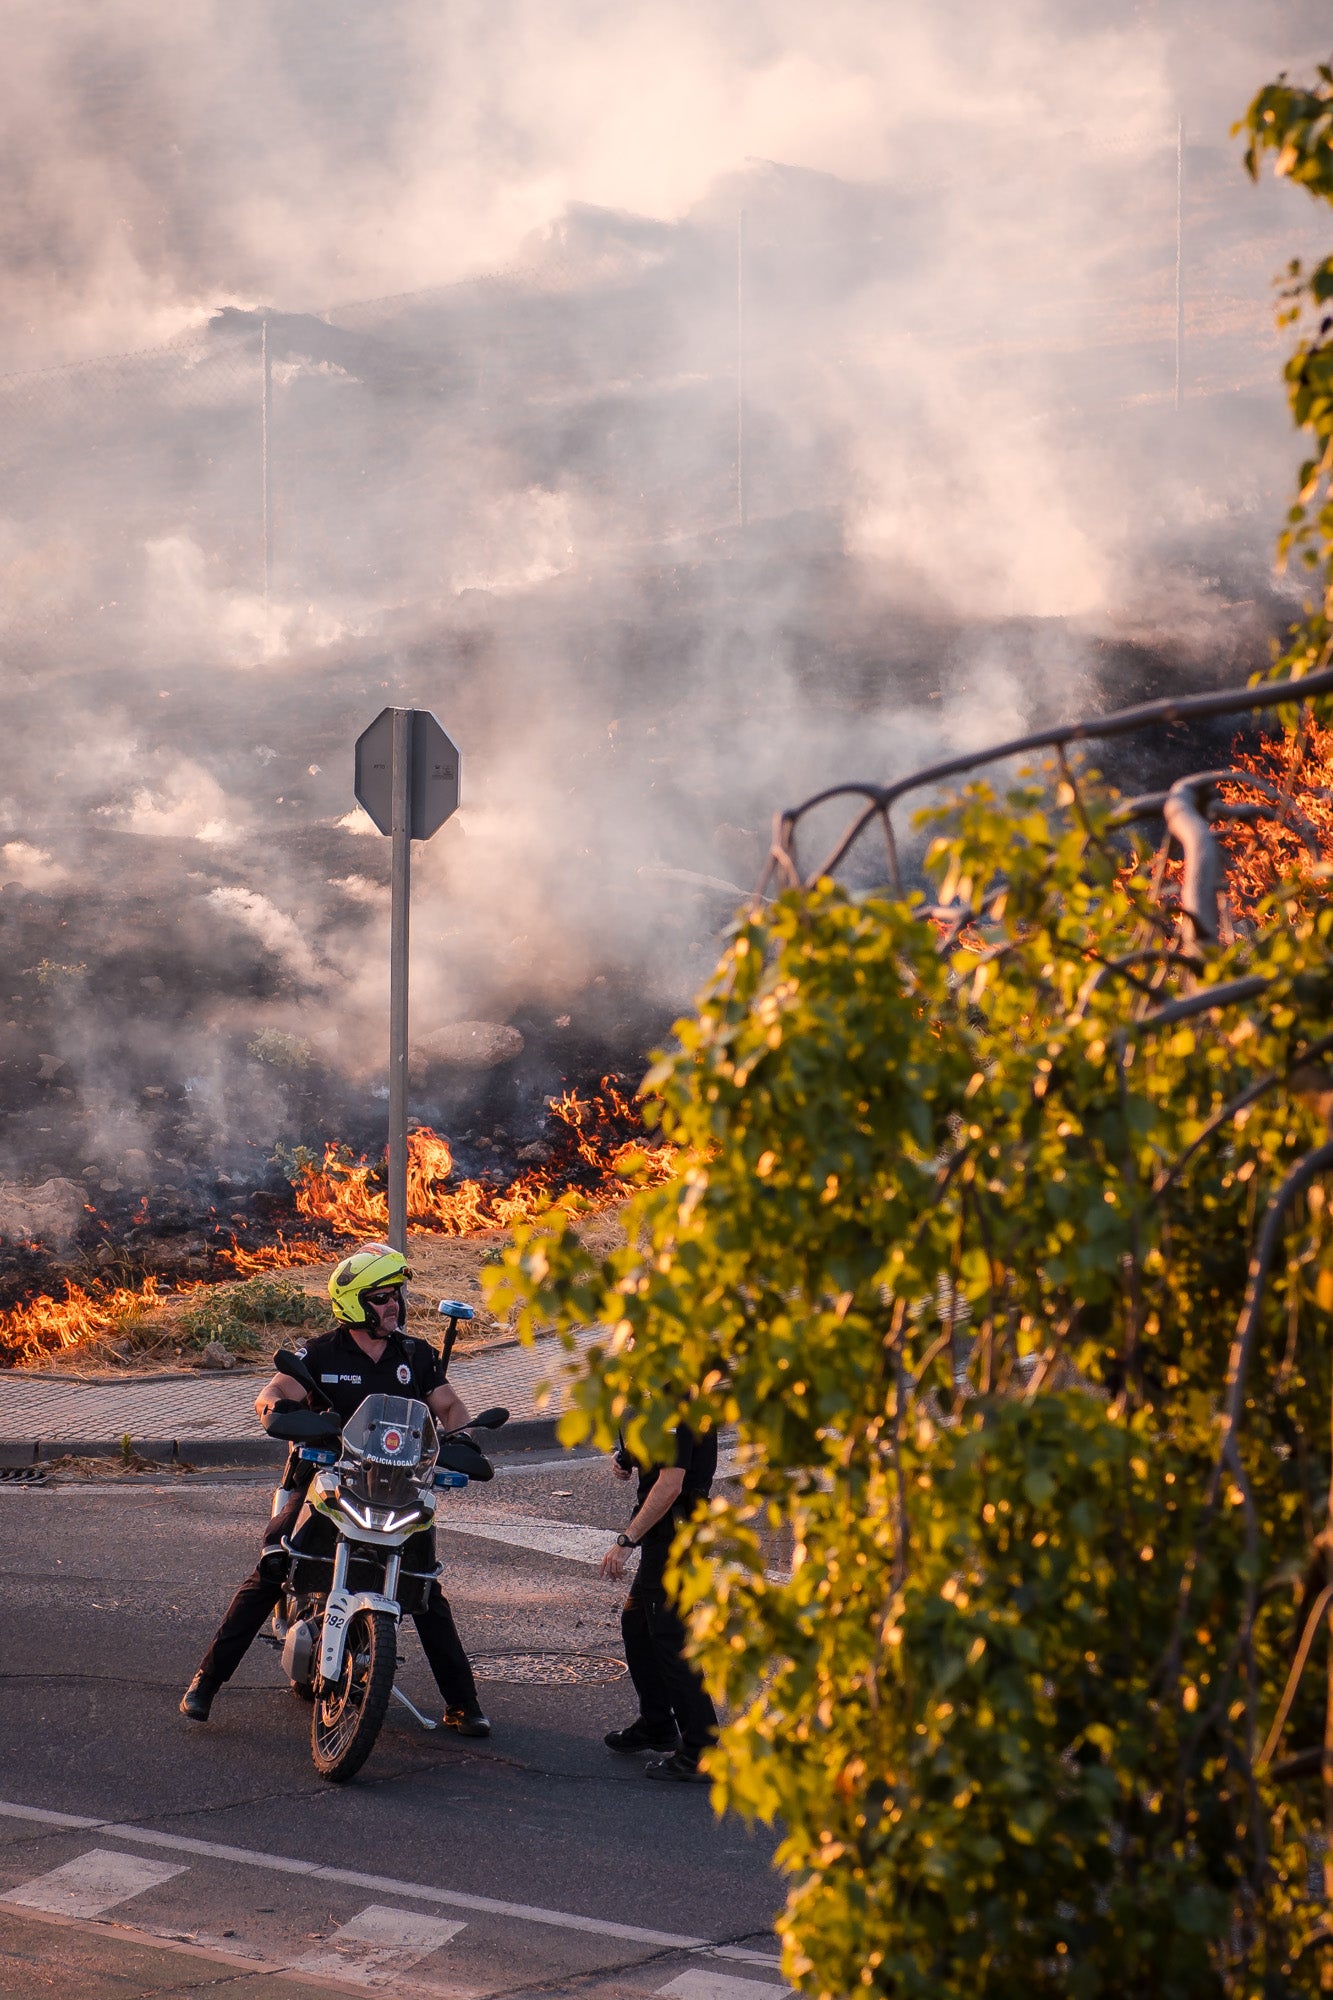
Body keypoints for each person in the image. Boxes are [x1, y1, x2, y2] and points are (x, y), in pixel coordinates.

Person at [179, 1243, 491, 1738]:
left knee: (424, 1583)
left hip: (395, 1489)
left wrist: (462, 1438)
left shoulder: (416, 1355)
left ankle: (463, 1703)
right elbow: (275, 1392)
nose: (395, 1305)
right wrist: (278, 1414)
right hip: (326, 1483)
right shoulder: (320, 1354)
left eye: (397, 1295)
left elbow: (451, 1409)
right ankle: (206, 1682)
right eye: (383, 1296)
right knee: (274, 1565)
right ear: (355, 1304)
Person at [599, 1421, 718, 1783]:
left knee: (669, 1637)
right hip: (668, 1534)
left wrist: (626, 1540)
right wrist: (629, 1457)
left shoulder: (676, 1405)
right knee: (636, 1625)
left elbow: (670, 1484)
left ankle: (702, 1749)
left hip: (673, 1534)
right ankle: (657, 1724)